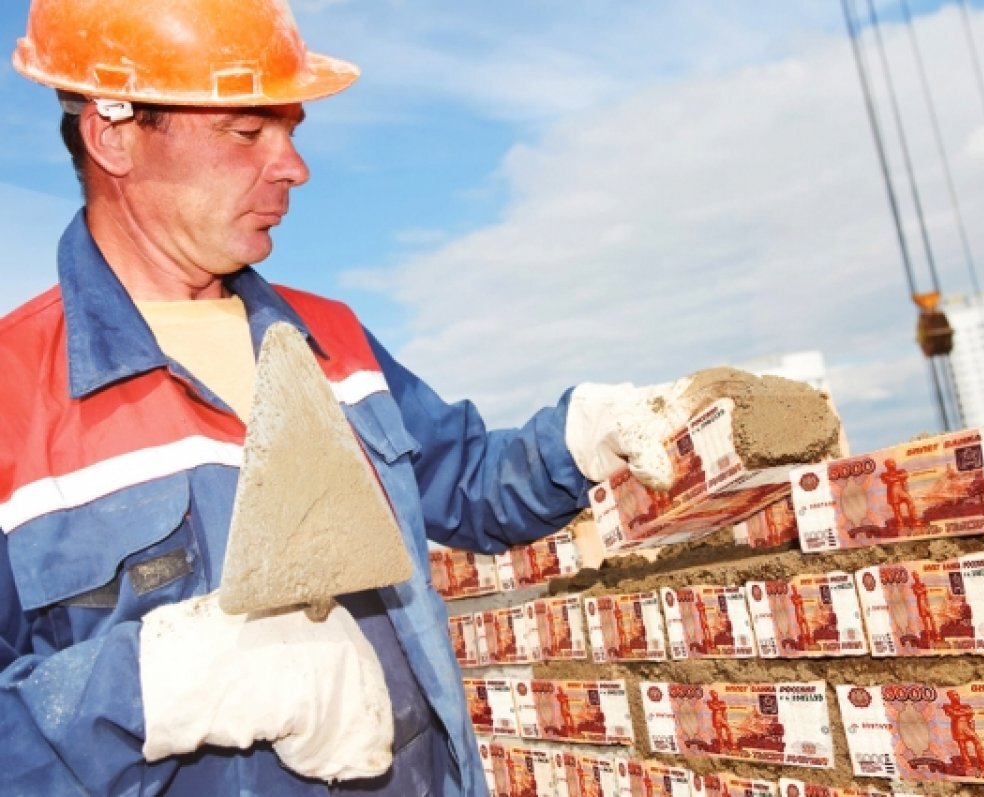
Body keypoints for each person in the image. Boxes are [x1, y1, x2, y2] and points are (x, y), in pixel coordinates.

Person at [0, 1, 709, 794]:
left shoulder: (333, 340)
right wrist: (156, 691)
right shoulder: (13, 395)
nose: (293, 167)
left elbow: (465, 481)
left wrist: (575, 441)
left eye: (291, 130)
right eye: (247, 131)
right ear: (114, 135)